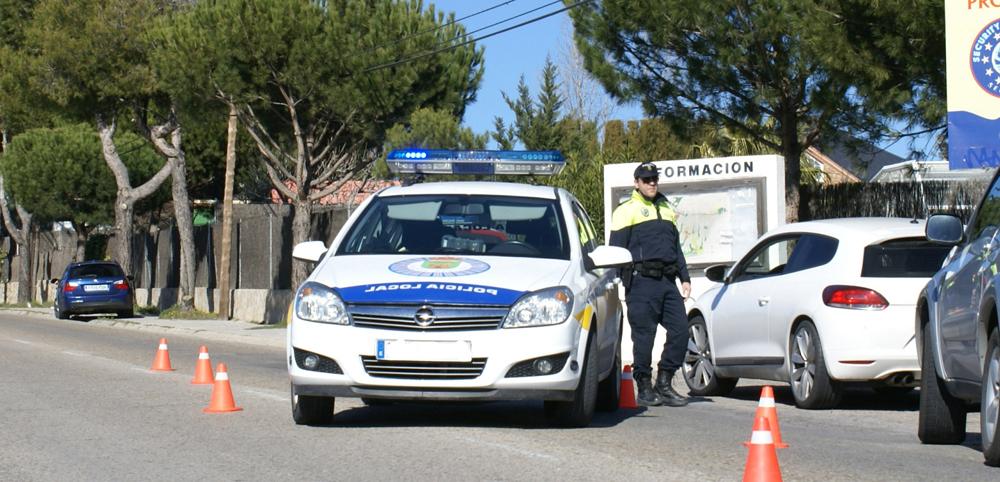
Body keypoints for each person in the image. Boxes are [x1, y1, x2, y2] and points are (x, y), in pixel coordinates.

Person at [609, 162, 691, 407]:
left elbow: (676, 248)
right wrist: (621, 281)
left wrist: (684, 277)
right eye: (646, 180)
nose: (652, 183)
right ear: (637, 183)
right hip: (641, 282)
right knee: (644, 337)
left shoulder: (666, 207)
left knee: (681, 331)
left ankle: (664, 382)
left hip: (667, 281)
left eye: (654, 179)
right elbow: (616, 250)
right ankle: (644, 385)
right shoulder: (626, 210)